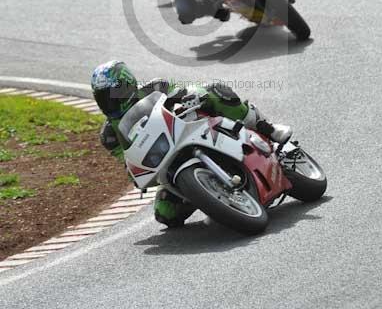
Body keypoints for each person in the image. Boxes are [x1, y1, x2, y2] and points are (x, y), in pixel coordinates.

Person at [92, 60, 292, 228]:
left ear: (127, 84)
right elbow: (127, 161)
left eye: (112, 93)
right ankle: (210, 196)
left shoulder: (155, 87)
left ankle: (266, 127)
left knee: (215, 90)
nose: (108, 101)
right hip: (166, 162)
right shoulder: (110, 135)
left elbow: (184, 91)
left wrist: (191, 95)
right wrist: (134, 173)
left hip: (191, 130)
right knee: (166, 214)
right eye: (102, 97)